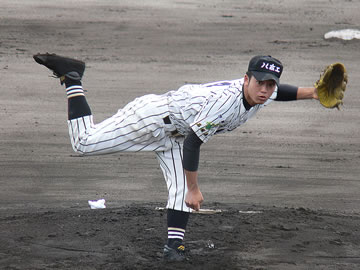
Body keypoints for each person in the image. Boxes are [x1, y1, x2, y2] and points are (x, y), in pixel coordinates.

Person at [33, 53, 318, 261]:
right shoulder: (224, 105)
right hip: (153, 119)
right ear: (246, 79)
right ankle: (72, 78)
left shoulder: (262, 91)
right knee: (84, 143)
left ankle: (174, 248)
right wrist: (195, 188)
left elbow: (282, 92)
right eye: (261, 84)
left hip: (177, 133)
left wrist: (314, 93)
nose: (266, 90)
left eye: (270, 85)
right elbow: (194, 143)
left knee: (179, 191)